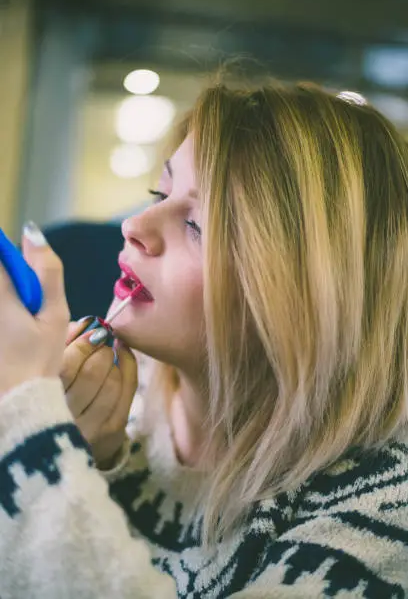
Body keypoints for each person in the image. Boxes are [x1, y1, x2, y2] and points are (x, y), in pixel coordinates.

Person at [0, 80, 407, 599]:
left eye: (197, 225)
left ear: (310, 296)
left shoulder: (383, 514)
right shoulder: (109, 405)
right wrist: (84, 462)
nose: (134, 225)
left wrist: (26, 433)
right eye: (159, 194)